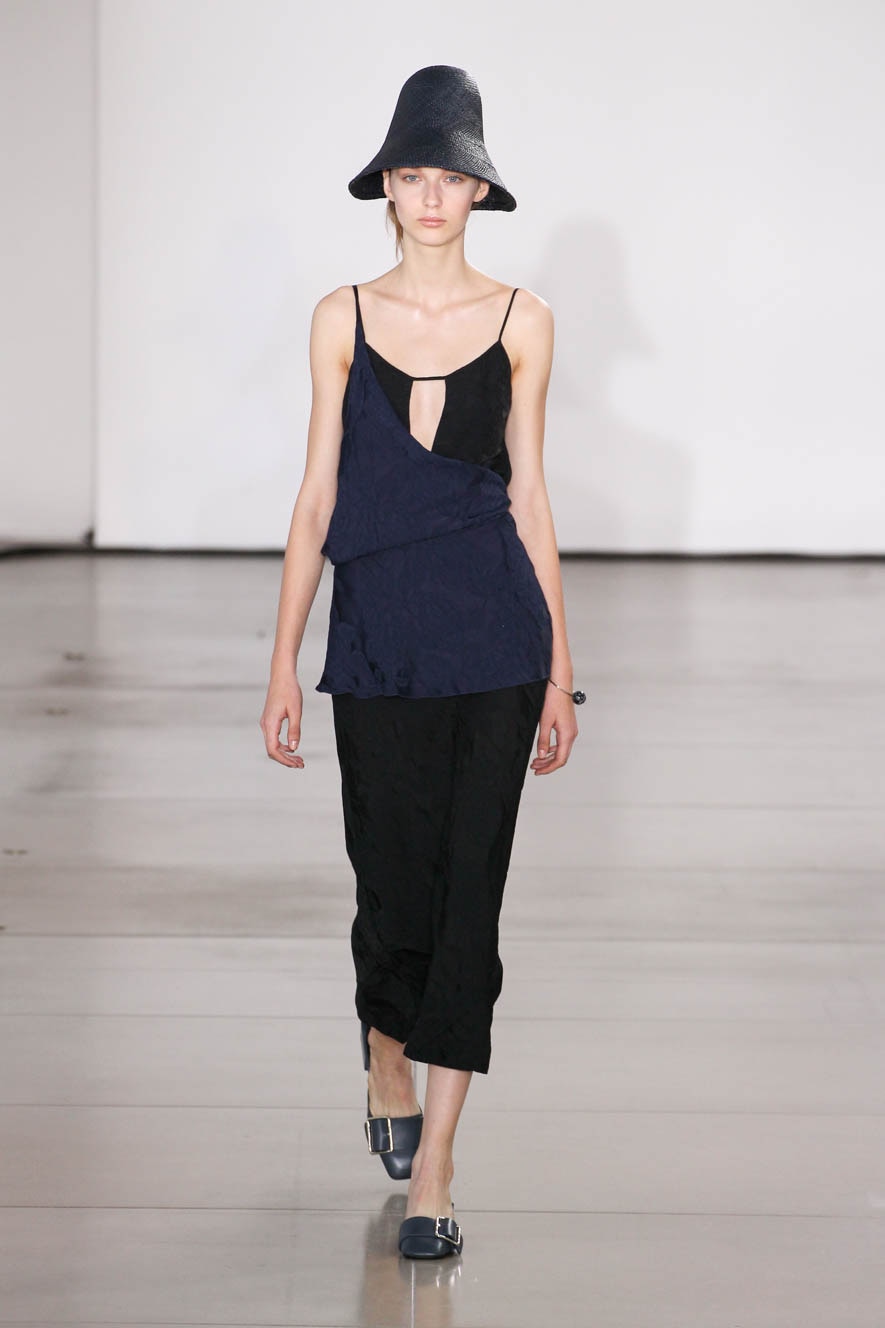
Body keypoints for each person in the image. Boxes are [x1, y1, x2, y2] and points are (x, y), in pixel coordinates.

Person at [259, 65, 584, 1260]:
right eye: (412, 174)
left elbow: (532, 498)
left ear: (478, 188)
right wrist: (283, 662)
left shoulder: (525, 319)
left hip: (496, 641)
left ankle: (436, 1166)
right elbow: (316, 499)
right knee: (392, 886)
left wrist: (559, 668)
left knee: (468, 898)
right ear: (387, 189)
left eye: (451, 174)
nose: (432, 194)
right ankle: (385, 1050)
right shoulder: (339, 317)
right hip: (380, 644)